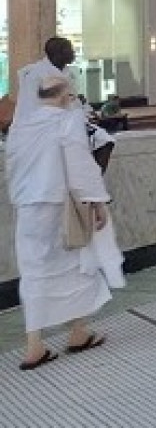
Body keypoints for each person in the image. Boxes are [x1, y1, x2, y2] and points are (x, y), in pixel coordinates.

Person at [8, 75, 123, 370]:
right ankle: (78, 331)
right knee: (80, 264)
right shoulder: (65, 121)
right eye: (71, 96)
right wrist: (97, 202)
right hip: (58, 207)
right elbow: (81, 167)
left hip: (27, 208)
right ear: (62, 96)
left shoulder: (21, 125)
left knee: (33, 274)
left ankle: (34, 346)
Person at [14, 37, 78, 125]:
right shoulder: (35, 75)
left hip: (66, 124)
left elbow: (72, 102)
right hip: (40, 127)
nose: (73, 53)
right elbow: (31, 107)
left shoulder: (68, 73)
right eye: (69, 50)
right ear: (58, 54)